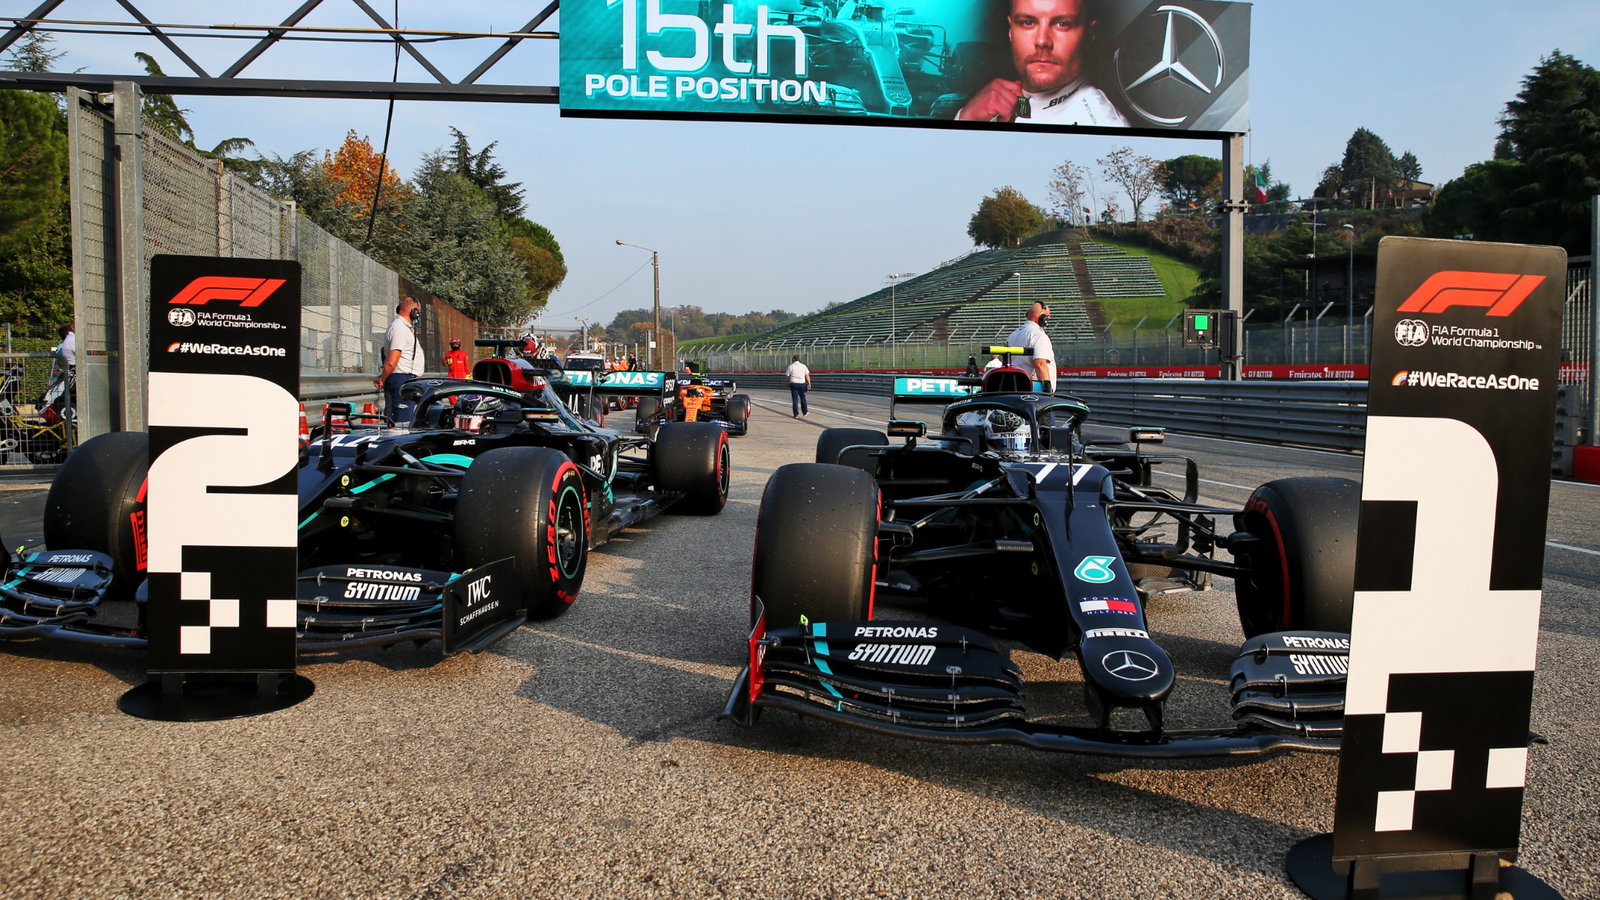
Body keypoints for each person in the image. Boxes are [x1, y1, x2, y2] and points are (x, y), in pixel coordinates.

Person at [955, 0, 1127, 127]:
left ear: (1090, 34)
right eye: (1028, 22)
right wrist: (966, 118)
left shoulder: (1101, 121)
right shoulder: (995, 102)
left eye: (1062, 24)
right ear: (1010, 31)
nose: (1042, 40)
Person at [374, 296, 424, 425]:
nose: (419, 315)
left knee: (403, 420)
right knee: (400, 422)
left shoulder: (403, 328)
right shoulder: (399, 329)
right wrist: (383, 379)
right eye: (418, 311)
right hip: (400, 379)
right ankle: (396, 443)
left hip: (403, 378)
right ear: (414, 311)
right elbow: (392, 361)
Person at [1006, 301, 1056, 392]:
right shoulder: (1039, 335)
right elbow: (1040, 364)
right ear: (1042, 318)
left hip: (1015, 388)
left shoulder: (1013, 335)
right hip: (1033, 391)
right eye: (1047, 317)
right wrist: (1048, 394)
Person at [786, 354, 812, 418]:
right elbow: (807, 375)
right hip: (802, 384)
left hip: (794, 383)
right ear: (799, 359)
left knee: (795, 399)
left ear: (793, 359)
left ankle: (796, 414)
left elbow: (787, 376)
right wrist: (809, 383)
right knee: (803, 398)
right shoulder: (803, 366)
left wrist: (787, 382)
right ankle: (805, 412)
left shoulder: (790, 366)